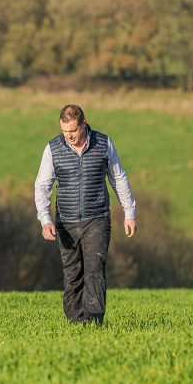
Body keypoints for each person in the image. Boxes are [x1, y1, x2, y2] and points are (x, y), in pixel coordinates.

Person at [34, 105, 137, 325]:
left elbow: (118, 178)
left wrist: (129, 212)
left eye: (73, 130)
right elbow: (42, 186)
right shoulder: (52, 148)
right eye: (64, 131)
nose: (69, 136)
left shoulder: (103, 144)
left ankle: (93, 321)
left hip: (97, 218)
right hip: (66, 221)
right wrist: (45, 220)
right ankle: (75, 322)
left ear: (83, 124)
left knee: (94, 270)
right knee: (73, 274)